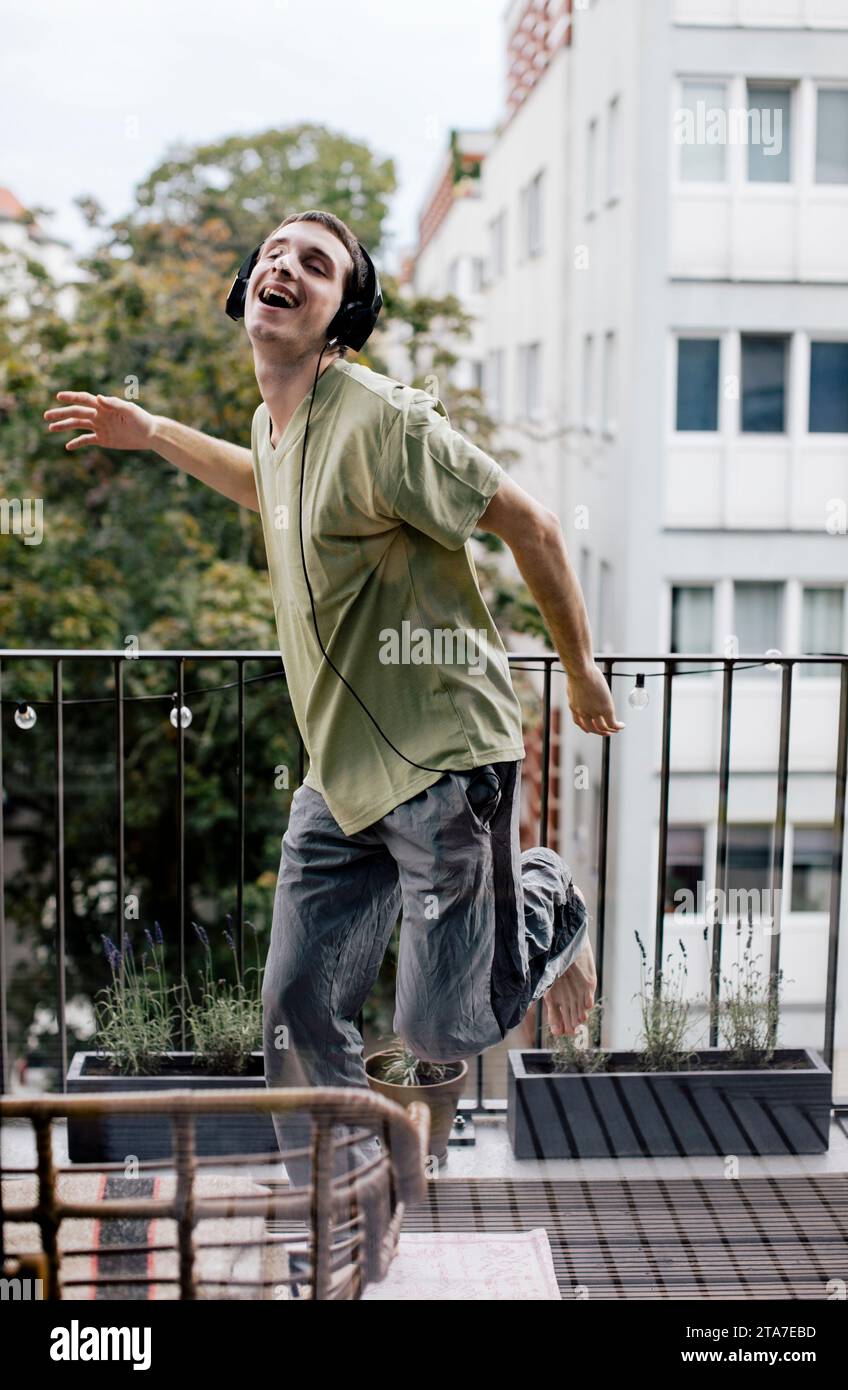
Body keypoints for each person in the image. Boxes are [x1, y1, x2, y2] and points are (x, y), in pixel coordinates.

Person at [43, 209, 623, 1200]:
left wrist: (576, 670)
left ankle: (544, 898)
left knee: (443, 1022)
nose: (285, 268)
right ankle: (351, 1197)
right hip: (341, 770)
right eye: (272, 253)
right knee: (294, 1009)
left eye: (315, 265)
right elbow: (257, 479)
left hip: (445, 757)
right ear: (246, 285)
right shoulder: (283, 425)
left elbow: (528, 523)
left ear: (338, 315)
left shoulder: (381, 419)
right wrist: (149, 434)